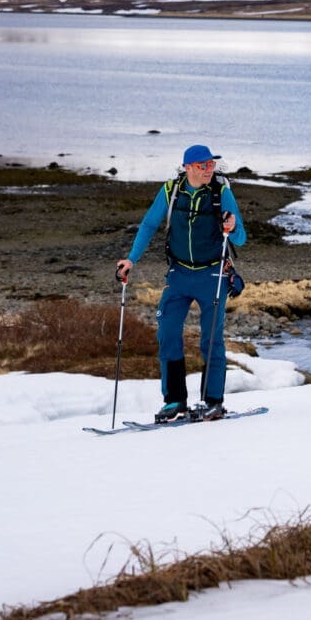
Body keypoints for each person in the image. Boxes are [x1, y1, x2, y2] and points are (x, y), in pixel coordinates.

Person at [117, 144, 246, 422]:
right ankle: (175, 401)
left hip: (212, 275)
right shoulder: (170, 190)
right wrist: (131, 260)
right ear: (188, 168)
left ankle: (213, 402)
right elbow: (149, 224)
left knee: (211, 340)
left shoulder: (221, 192)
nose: (209, 170)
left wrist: (232, 227)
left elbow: (241, 238)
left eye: (212, 165)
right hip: (178, 275)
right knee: (167, 332)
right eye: (203, 166)